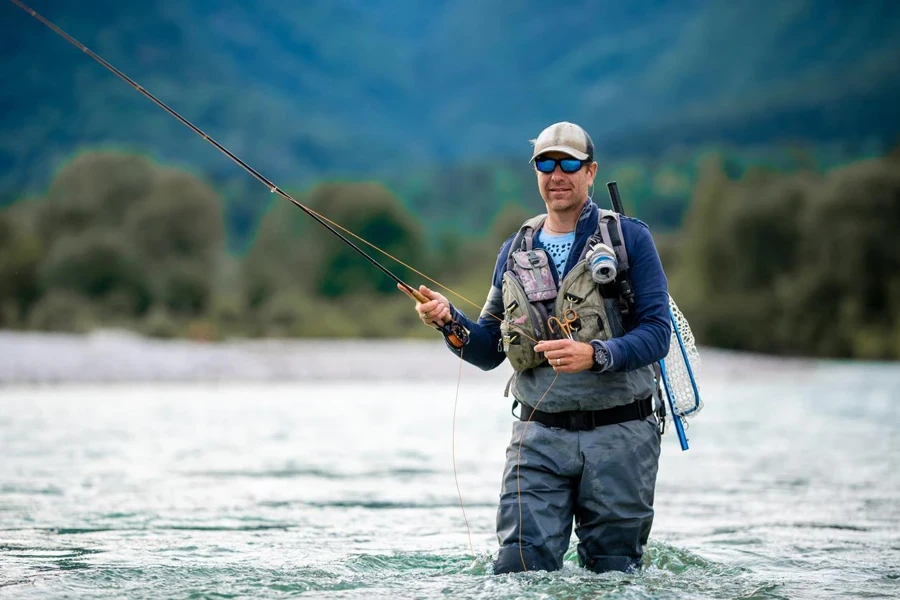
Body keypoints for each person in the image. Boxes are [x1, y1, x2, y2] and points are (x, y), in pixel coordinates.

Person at [406, 121, 671, 574]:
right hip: (538, 437)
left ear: (590, 171)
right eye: (545, 163)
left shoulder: (631, 240)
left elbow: (657, 332)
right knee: (518, 570)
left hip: (621, 436)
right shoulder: (513, 250)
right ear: (536, 173)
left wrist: (597, 355)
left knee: (613, 573)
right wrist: (449, 322)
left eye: (569, 163)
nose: (557, 173)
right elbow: (488, 349)